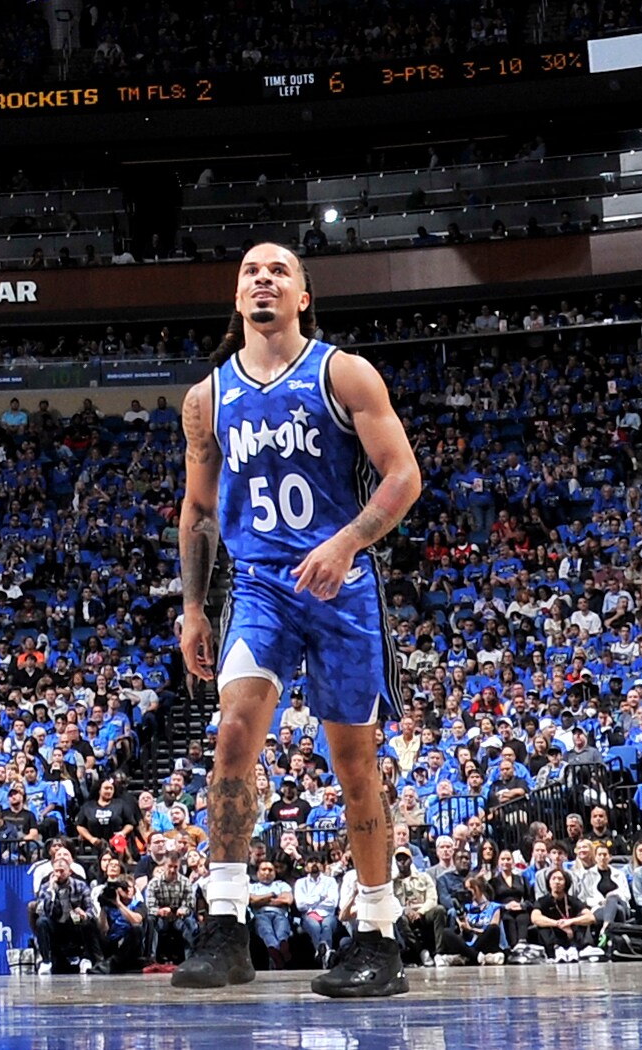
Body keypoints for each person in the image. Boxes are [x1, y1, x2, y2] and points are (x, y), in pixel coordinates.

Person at [171, 241, 425, 998]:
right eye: (251, 270)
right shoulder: (207, 398)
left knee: (353, 760)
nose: (263, 280)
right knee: (233, 731)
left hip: (340, 589)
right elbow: (197, 508)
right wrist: (191, 605)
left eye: (279, 271)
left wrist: (347, 542)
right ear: (236, 293)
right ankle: (224, 923)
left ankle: (377, 933)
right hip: (258, 587)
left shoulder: (341, 372)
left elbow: (404, 474)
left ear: (303, 296)